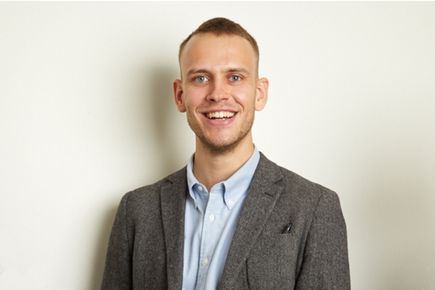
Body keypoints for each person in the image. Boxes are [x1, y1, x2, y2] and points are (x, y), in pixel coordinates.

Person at [101, 17, 350, 290]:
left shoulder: (314, 208)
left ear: (259, 93)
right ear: (180, 95)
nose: (218, 93)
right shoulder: (136, 211)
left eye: (234, 77)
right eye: (201, 78)